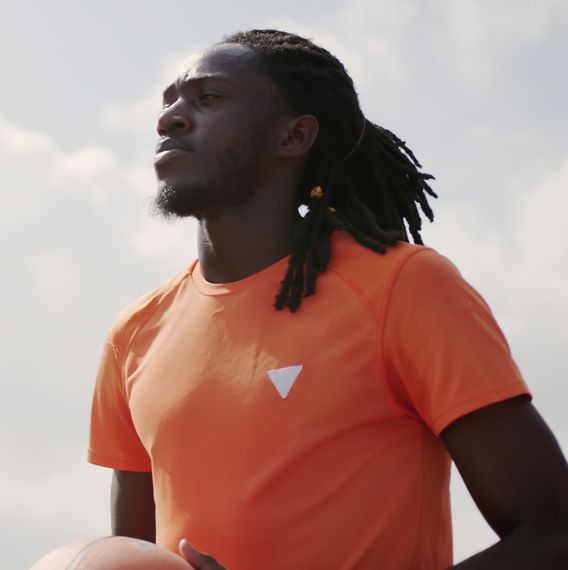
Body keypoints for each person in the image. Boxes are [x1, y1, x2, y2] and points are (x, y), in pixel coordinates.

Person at [87, 29, 568, 569]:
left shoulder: (405, 288)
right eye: (169, 101)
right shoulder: (134, 334)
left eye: (208, 98)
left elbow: (552, 535)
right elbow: (131, 560)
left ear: (293, 137)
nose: (170, 117)